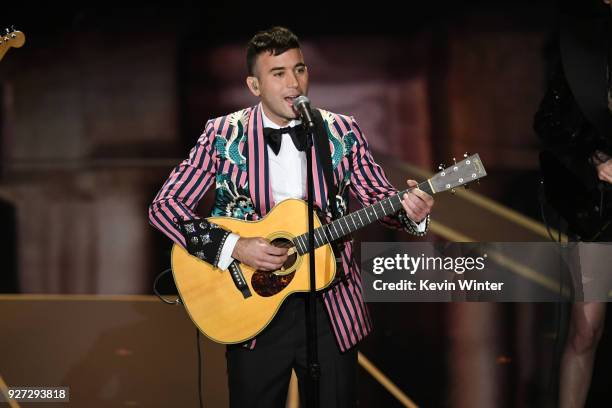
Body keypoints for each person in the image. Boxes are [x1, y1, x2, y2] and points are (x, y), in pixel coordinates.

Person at [149, 26, 434, 407]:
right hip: (249, 307)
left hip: (332, 309)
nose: (293, 82)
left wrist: (412, 211)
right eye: (278, 73)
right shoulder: (222, 135)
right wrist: (235, 247)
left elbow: (381, 199)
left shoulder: (342, 131)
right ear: (254, 85)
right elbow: (165, 207)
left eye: (299, 70)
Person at [535, 1, 611, 406]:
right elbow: (549, 121)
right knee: (586, 330)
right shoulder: (583, 35)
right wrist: (595, 158)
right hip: (601, 213)